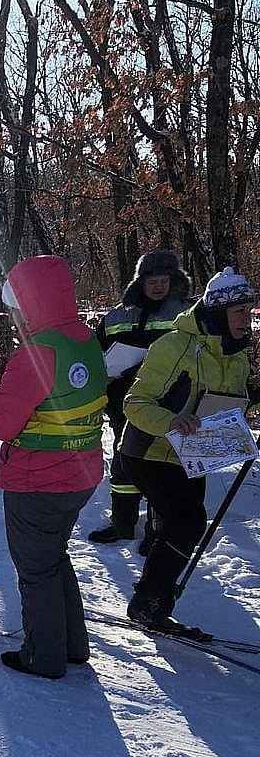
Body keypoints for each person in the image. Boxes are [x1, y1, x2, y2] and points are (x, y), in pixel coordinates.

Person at [0, 255, 106, 679]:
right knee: (52, 558)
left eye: (14, 308)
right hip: (79, 473)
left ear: (29, 304)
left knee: (35, 570)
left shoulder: (35, 353)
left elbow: (1, 424)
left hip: (38, 480)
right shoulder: (84, 339)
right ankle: (72, 646)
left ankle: (44, 657)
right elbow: (57, 392)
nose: (13, 317)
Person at [120, 266, 260, 636]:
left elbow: (230, 401)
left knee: (182, 525)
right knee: (188, 522)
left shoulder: (236, 353)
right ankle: (148, 602)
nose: (246, 320)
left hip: (193, 454)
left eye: (249, 311)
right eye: (239, 312)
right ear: (218, 313)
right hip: (148, 450)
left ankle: (155, 598)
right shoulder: (175, 346)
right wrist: (171, 421)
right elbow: (134, 403)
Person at [88, 249, 194, 549]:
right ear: (140, 282)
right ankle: (122, 525)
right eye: (152, 281)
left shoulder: (187, 314)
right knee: (124, 463)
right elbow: (96, 352)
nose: (158, 286)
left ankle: (157, 533)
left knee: (159, 469)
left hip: (170, 406)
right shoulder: (119, 314)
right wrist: (103, 373)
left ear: (174, 281)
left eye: (164, 280)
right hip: (123, 403)